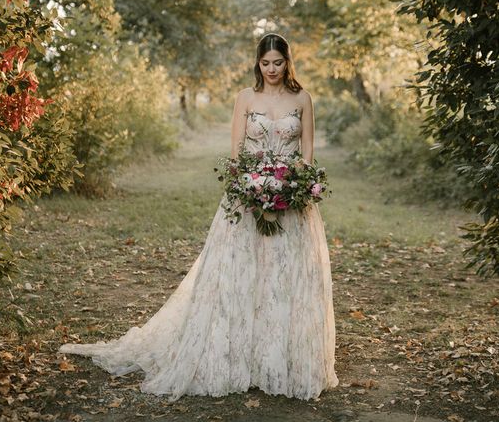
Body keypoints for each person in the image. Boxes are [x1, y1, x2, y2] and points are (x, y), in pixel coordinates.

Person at [59, 33, 338, 401]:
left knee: (283, 277)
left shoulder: (303, 99)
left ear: (288, 63)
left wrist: (291, 188)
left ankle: (281, 358)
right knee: (240, 275)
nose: (271, 70)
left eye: (278, 63)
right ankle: (237, 355)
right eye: (265, 63)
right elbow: (236, 152)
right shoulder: (245, 98)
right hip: (248, 195)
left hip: (292, 200)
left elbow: (306, 155)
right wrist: (250, 188)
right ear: (258, 63)